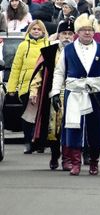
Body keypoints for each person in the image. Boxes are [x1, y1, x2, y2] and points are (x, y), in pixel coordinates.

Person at [49, 14, 100, 176]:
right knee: (74, 128)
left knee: (95, 129)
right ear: (77, 32)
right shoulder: (68, 49)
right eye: (84, 30)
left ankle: (94, 162)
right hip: (74, 93)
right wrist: (55, 92)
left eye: (90, 30)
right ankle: (75, 163)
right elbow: (59, 73)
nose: (87, 33)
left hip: (96, 94)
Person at [29, 18, 75, 170]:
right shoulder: (49, 52)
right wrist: (34, 91)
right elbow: (38, 74)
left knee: (71, 126)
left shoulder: (79, 51)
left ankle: (68, 158)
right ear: (58, 35)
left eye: (70, 33)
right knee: (53, 128)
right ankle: (55, 155)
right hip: (53, 94)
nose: (67, 37)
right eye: (64, 33)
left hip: (74, 93)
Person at [7, 20, 49, 153]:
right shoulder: (23, 46)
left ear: (43, 31)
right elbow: (16, 67)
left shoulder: (48, 45)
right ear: (29, 31)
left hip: (43, 85)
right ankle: (28, 142)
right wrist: (12, 88)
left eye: (38, 29)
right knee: (27, 116)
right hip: (25, 87)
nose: (36, 31)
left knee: (42, 116)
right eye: (33, 29)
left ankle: (40, 143)